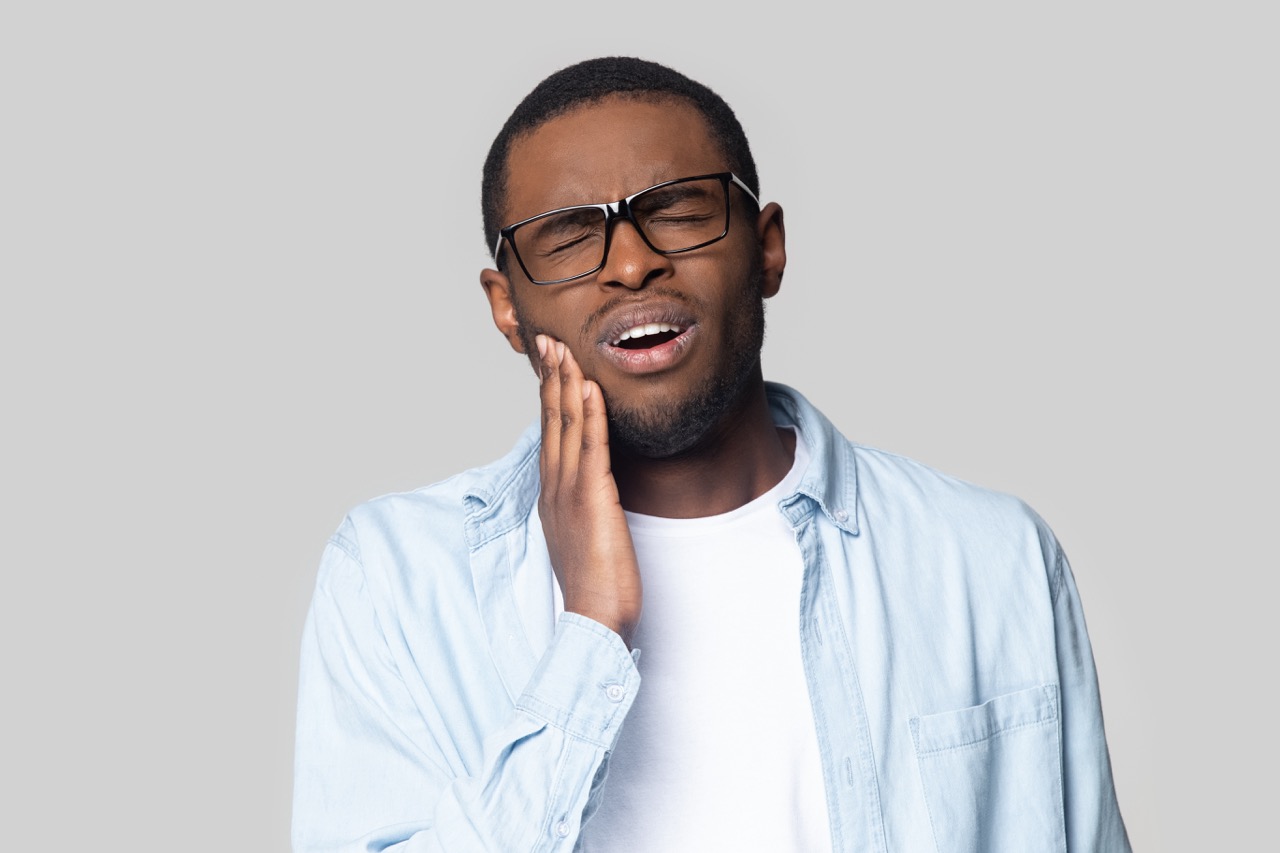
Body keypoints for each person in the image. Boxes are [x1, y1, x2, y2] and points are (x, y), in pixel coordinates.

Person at [292, 57, 1130, 852]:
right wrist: (588, 630)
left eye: (680, 210)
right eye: (567, 236)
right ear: (506, 307)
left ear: (766, 248)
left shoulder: (990, 558)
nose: (631, 262)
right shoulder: (396, 581)